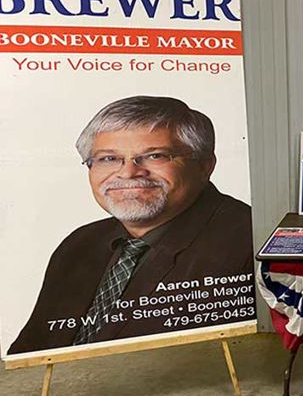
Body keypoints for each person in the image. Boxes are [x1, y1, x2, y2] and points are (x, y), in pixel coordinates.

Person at [8, 96, 253, 355]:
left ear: (205, 166)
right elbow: (29, 351)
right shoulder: (80, 243)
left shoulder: (248, 242)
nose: (128, 173)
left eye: (154, 156)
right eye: (108, 159)